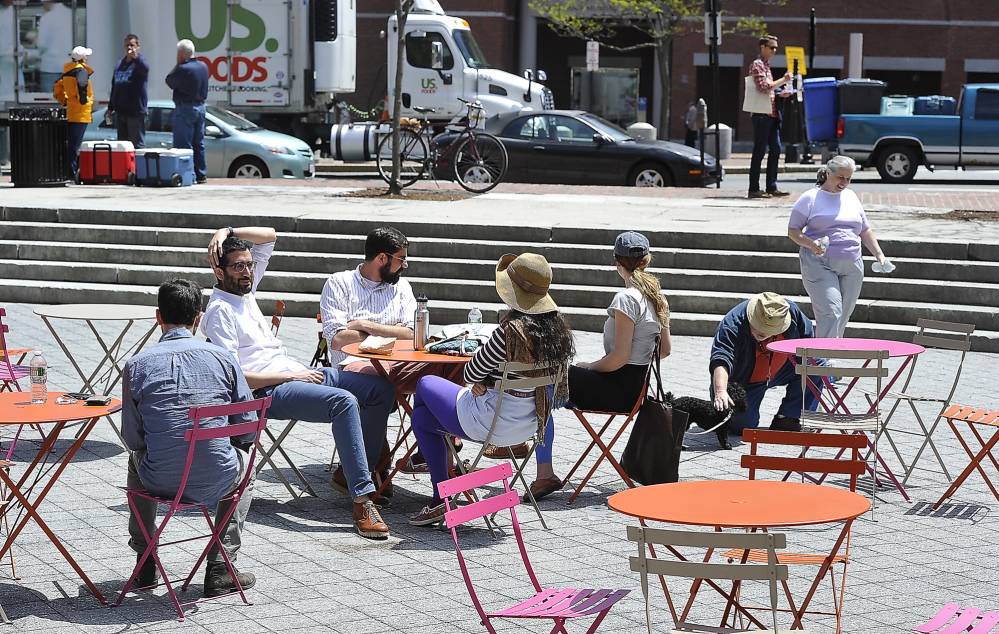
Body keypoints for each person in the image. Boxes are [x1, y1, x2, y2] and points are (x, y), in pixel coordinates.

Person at [200, 226, 396, 539]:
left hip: (296, 372)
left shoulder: (245, 292)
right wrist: (291, 375)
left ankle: (354, 473)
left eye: (249, 264)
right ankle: (362, 500)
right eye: (238, 266)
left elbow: (270, 236)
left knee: (380, 389)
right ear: (218, 270)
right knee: (343, 401)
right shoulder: (220, 310)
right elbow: (235, 378)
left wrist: (227, 230)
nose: (247, 271)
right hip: (266, 390)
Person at [407, 253, 575, 526]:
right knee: (422, 420)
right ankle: (441, 492)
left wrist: (485, 380)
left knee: (425, 384)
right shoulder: (558, 332)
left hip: (488, 422)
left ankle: (441, 483)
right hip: (529, 427)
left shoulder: (509, 332)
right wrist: (493, 380)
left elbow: (470, 373)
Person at [122, 279, 259, 597]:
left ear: (159, 316)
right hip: (220, 480)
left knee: (136, 462)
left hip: (160, 481)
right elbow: (248, 428)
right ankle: (221, 565)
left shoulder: (136, 365)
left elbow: (133, 438)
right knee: (248, 467)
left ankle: (145, 561)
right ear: (199, 318)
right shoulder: (225, 359)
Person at [530, 231, 672, 501]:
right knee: (554, 385)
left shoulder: (627, 299)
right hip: (634, 390)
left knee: (546, 382)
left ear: (617, 262)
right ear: (647, 260)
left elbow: (618, 358)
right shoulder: (657, 296)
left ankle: (543, 470)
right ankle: (533, 451)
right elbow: (665, 350)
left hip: (616, 389)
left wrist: (589, 366)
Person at [788, 155, 890, 339]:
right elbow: (793, 230)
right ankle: (823, 359)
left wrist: (879, 255)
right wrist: (811, 243)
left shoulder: (851, 196)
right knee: (831, 311)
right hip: (819, 263)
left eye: (849, 178)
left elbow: (865, 229)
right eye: (840, 177)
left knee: (843, 314)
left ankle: (831, 352)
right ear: (828, 173)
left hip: (852, 263)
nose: (844, 182)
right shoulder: (810, 197)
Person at [710, 292, 822, 434]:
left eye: (770, 329)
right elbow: (721, 360)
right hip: (744, 381)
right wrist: (720, 391)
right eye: (759, 326)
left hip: (781, 370)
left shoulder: (790, 312)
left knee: (817, 364)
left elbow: (808, 344)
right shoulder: (732, 324)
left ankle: (788, 417)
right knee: (741, 428)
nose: (763, 332)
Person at [747, 35, 793, 199]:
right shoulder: (757, 65)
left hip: (772, 114)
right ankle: (754, 188)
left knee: (776, 148)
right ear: (762, 47)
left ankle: (771, 186)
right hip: (761, 115)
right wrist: (784, 80)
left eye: (776, 48)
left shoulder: (767, 67)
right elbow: (764, 88)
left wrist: (781, 94)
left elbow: (771, 91)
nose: (774, 51)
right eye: (771, 47)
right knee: (759, 151)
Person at [165, 39, 208, 183]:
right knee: (198, 143)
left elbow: (168, 81)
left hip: (185, 107)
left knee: (184, 145)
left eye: (178, 53)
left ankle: (188, 175)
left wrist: (177, 64)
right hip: (201, 107)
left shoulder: (183, 69)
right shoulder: (203, 66)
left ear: (182, 53)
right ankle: (201, 174)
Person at [52, 45, 93, 177]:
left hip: (70, 111)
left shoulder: (68, 72)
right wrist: (82, 99)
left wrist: (64, 101)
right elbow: (82, 84)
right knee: (74, 145)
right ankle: (71, 173)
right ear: (83, 58)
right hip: (81, 114)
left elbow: (57, 87)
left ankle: (63, 170)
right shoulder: (81, 71)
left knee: (68, 143)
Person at [109, 34, 149, 148]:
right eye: (127, 45)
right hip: (120, 112)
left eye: (132, 45)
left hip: (135, 112)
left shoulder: (140, 62)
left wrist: (136, 57)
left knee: (136, 145)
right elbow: (114, 87)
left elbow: (145, 69)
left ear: (138, 46)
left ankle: (138, 166)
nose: (129, 48)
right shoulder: (119, 65)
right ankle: (124, 167)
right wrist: (110, 108)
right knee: (122, 146)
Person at [34, 0, 71, 91]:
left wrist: (33, 38)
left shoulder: (47, 18)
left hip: (50, 67)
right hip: (69, 66)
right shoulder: (72, 14)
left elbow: (42, 45)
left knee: (50, 101)